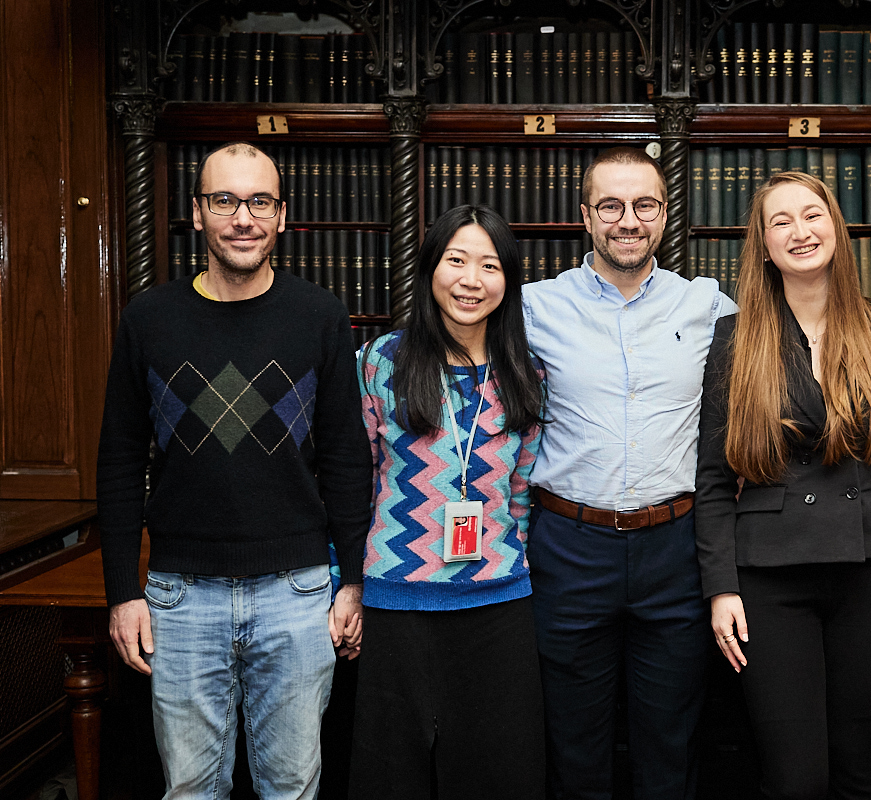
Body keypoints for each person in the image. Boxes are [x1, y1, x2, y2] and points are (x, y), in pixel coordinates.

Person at [97, 141, 372, 799]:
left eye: (259, 202)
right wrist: (122, 592)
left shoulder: (320, 316)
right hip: (179, 597)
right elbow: (119, 461)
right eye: (224, 200)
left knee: (292, 786)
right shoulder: (148, 319)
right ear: (197, 213)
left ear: (282, 216)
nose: (242, 218)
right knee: (190, 788)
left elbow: (345, 458)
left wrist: (352, 584)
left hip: (297, 594)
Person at [693, 170, 871, 800]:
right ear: (763, 245)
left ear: (836, 229)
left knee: (861, 772)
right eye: (781, 221)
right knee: (795, 779)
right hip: (768, 578)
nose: (800, 231)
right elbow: (713, 478)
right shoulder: (735, 337)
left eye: (812, 214)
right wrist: (720, 587)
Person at [522, 146, 737, 800]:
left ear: (665, 214)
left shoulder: (707, 305)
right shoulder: (533, 307)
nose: (628, 220)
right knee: (573, 745)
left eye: (644, 205)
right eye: (611, 206)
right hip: (569, 548)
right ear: (586, 216)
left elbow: (785, 361)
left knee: (671, 744)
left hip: (675, 549)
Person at [347, 205, 547, 799]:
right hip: (395, 602)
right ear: (430, 267)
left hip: (498, 605)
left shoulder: (527, 373)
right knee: (391, 780)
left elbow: (521, 494)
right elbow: (354, 482)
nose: (471, 280)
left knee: (500, 778)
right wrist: (345, 583)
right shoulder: (381, 362)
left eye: (490, 265)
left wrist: (507, 563)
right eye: (456, 260)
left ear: (508, 280)